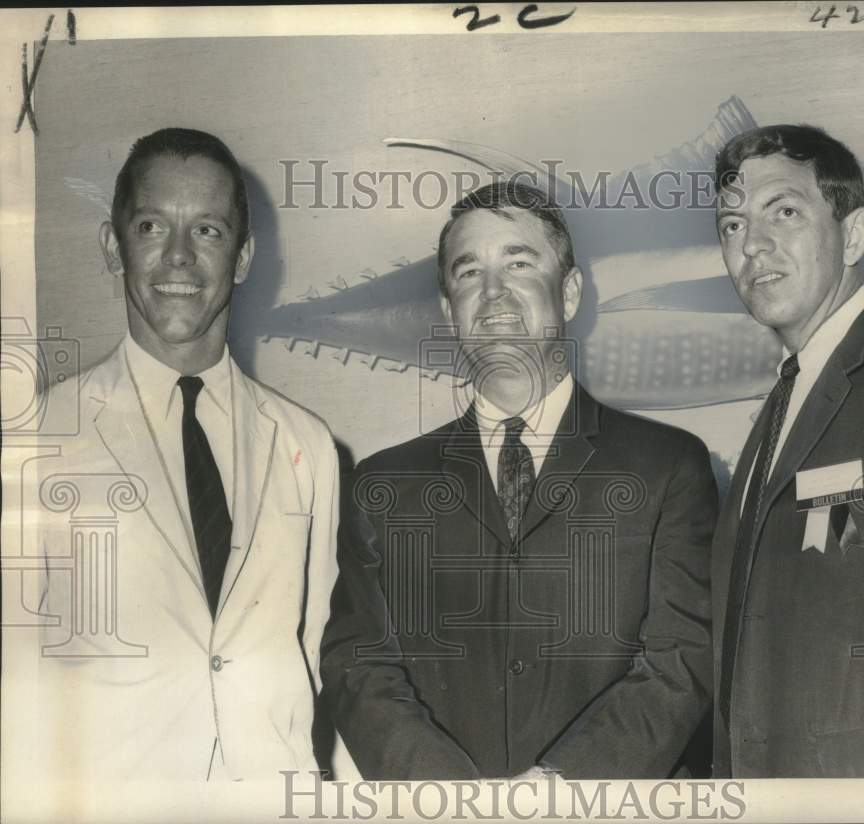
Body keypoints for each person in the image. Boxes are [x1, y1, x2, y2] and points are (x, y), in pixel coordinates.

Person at [320, 180, 718, 779]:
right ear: (448, 310)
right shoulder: (383, 486)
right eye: (468, 272)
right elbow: (358, 663)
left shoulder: (668, 466)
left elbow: (682, 658)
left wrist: (559, 788)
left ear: (570, 292)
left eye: (519, 263)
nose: (493, 292)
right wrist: (458, 802)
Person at [32, 128, 339, 781]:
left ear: (243, 256)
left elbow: (316, 653)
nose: (178, 256)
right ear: (112, 247)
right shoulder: (39, 436)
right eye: (151, 227)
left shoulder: (307, 444)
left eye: (207, 230)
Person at [711, 124, 864, 777]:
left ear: (853, 236)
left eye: (784, 212)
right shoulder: (783, 401)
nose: (752, 244)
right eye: (732, 225)